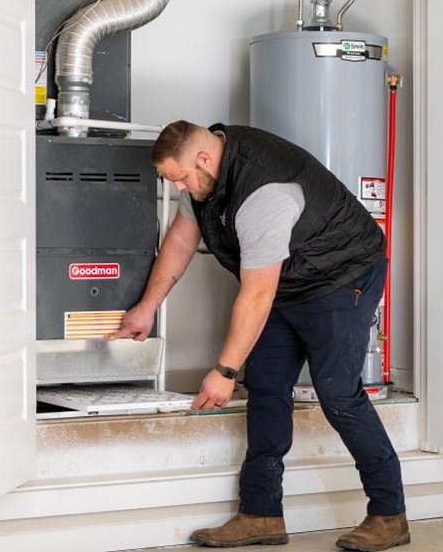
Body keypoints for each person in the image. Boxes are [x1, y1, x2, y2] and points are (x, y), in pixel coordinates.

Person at [108, 120, 409, 551]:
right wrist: (146, 307)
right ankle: (261, 514)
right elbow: (181, 237)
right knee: (266, 386)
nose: (180, 190)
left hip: (342, 275)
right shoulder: (206, 181)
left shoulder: (263, 190)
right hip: (288, 280)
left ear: (204, 159)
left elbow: (256, 295)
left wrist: (223, 370)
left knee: (338, 393)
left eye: (181, 179)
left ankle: (388, 514)